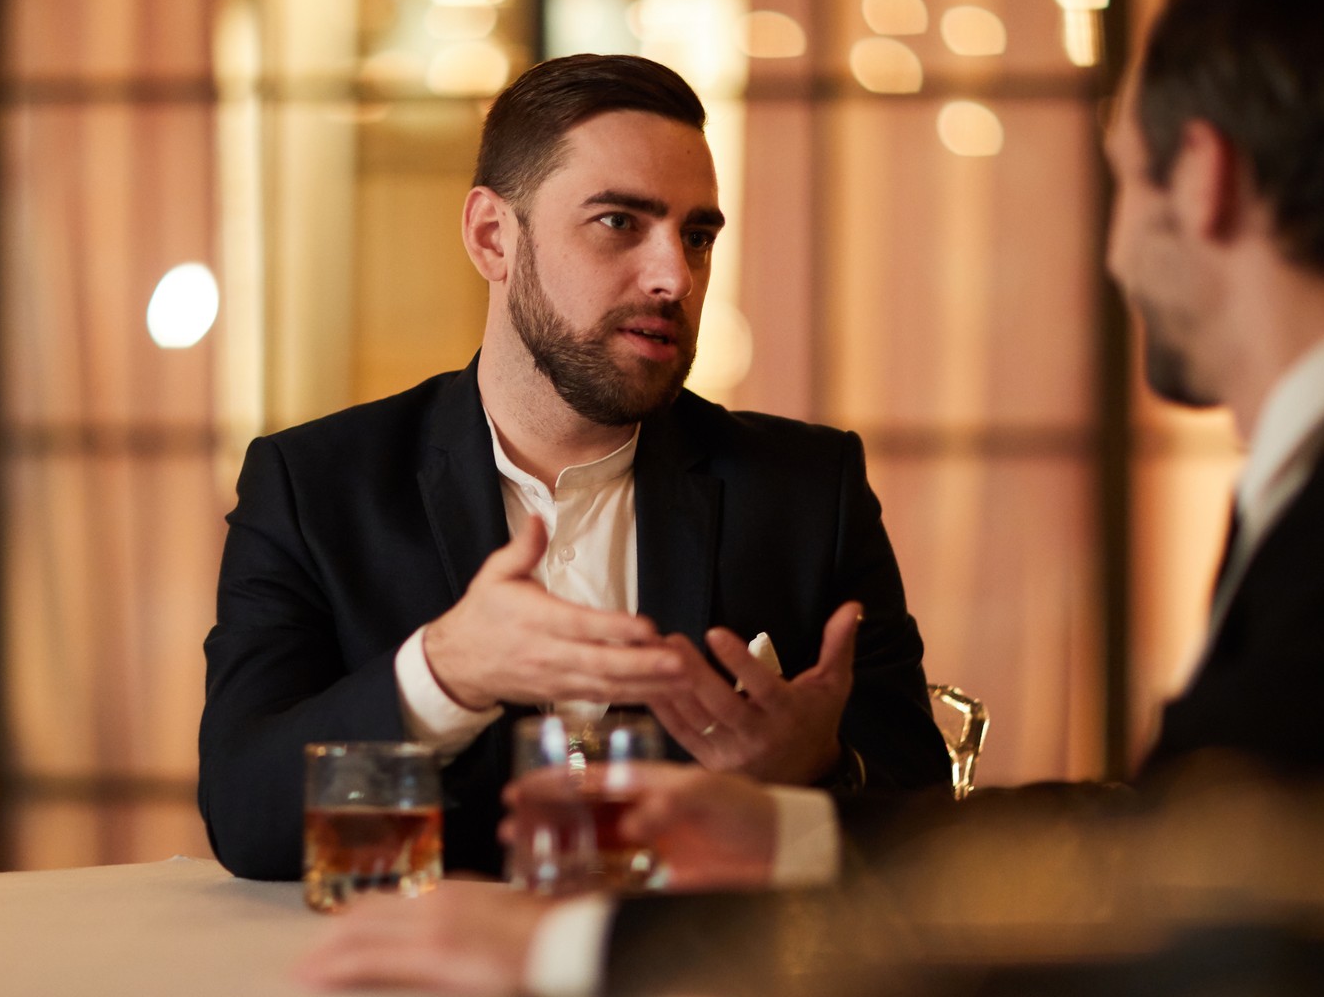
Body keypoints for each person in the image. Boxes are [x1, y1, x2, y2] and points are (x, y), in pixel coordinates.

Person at [298, 0, 1324, 997]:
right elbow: (1181, 836)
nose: (1118, 248)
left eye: (1126, 181)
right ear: (490, 238)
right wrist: (792, 837)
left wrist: (574, 953)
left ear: (1210, 180)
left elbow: (1193, 894)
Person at [199, 53, 952, 880]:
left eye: (696, 236)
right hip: (415, 991)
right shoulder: (317, 486)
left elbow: (925, 830)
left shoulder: (807, 490)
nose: (675, 276)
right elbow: (251, 823)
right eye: (619, 223)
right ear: (493, 236)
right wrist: (443, 674)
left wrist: (818, 773)